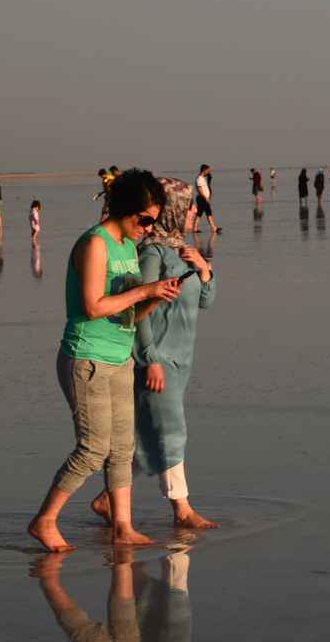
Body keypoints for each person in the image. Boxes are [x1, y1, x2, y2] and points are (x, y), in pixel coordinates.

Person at [28, 169, 183, 553]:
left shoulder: (128, 247)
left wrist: (153, 298)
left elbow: (128, 314)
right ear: (127, 210)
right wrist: (143, 289)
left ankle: (123, 526)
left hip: (119, 357)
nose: (148, 229)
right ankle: (45, 520)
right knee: (93, 447)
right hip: (87, 359)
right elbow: (93, 306)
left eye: (154, 222)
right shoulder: (95, 244)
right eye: (145, 220)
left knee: (122, 448)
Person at [93, 177, 219, 531]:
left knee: (147, 435)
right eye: (189, 204)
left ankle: (107, 500)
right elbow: (137, 308)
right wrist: (149, 359)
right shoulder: (152, 253)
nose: (194, 210)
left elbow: (206, 300)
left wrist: (205, 269)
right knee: (172, 431)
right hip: (158, 360)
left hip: (181, 360)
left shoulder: (184, 251)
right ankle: (182, 508)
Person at [194, 164, 220, 237]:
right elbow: (200, 190)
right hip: (202, 198)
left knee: (207, 213)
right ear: (204, 170)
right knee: (201, 213)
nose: (209, 172)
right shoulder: (199, 179)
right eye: (208, 170)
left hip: (205, 198)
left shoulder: (203, 178)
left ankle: (213, 228)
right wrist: (205, 198)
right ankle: (195, 228)